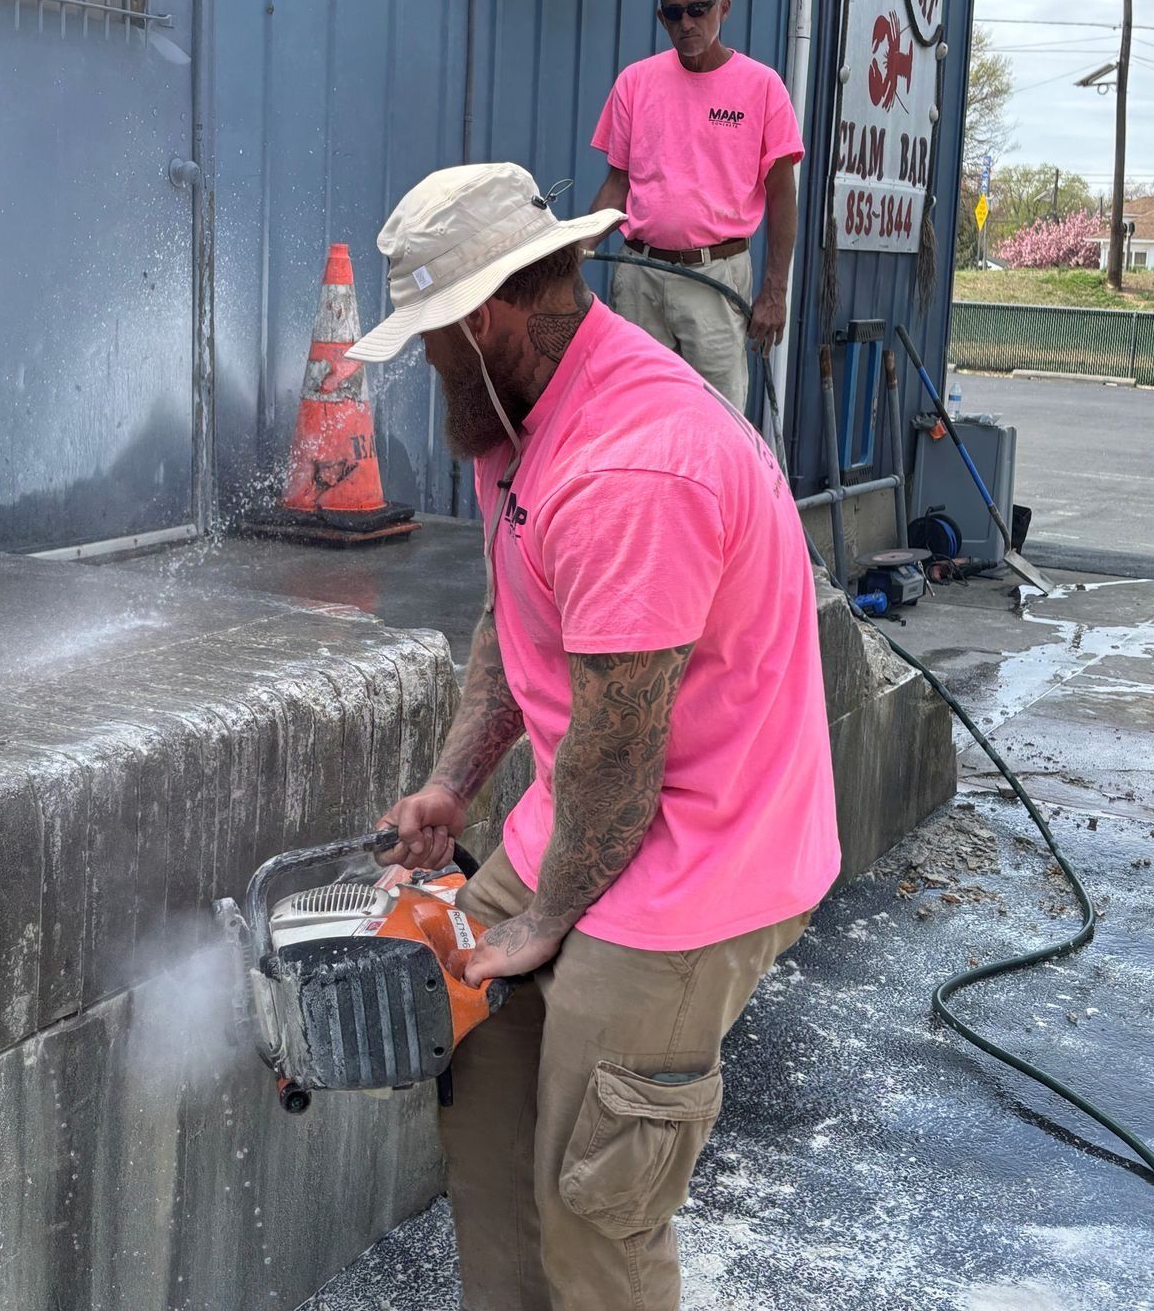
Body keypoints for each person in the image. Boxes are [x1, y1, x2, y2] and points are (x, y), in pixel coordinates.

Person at [347, 162, 837, 1311]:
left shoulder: (635, 466)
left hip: (704, 856)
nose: (424, 368)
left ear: (486, 318)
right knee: (487, 1120)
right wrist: (453, 783)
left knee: (594, 1200)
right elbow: (513, 607)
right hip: (592, 814)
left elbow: (622, 755)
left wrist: (547, 923)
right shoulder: (514, 419)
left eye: (428, 341)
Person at [587, 0, 803, 410]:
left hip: (715, 278)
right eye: (674, 13)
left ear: (723, 8)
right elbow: (616, 185)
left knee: (716, 418)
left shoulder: (763, 87)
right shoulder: (635, 82)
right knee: (635, 412)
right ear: (662, 19)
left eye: (699, 9)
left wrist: (775, 292)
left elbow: (783, 196)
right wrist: (572, 256)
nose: (687, 23)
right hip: (640, 275)